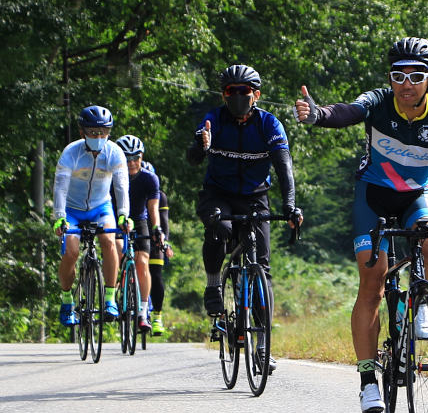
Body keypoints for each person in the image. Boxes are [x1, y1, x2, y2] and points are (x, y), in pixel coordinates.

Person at [295, 36, 428, 413]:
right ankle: (368, 381)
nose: (406, 84)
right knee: (373, 283)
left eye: (416, 75)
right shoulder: (379, 101)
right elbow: (348, 111)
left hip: (417, 193)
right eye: (399, 75)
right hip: (373, 197)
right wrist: (319, 115)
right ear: (391, 78)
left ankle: (419, 309)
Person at [187, 64, 300, 320]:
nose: (238, 96)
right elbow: (192, 159)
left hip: (255, 196)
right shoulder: (213, 120)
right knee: (220, 227)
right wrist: (200, 147)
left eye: (244, 90)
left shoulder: (269, 124)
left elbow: (285, 168)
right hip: (218, 193)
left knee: (262, 266)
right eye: (231, 91)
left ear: (256, 95)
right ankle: (214, 284)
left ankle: (263, 346)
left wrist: (290, 207)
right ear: (224, 95)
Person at [52, 105, 131, 325]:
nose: (98, 137)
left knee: (109, 240)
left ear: (109, 132)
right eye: (93, 132)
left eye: (103, 132)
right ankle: (67, 300)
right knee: (71, 250)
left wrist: (124, 215)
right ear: (82, 132)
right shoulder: (71, 153)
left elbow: (122, 187)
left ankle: (109, 298)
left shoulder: (115, 153)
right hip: (72, 209)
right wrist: (59, 216)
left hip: (101, 207)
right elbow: (60, 186)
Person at [113, 135, 162, 331]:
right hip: (117, 218)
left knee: (142, 263)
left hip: (140, 220)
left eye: (136, 158)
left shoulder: (149, 178)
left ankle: (142, 312)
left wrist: (157, 228)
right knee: (116, 251)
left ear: (142, 157)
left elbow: (153, 209)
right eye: (127, 159)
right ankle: (114, 288)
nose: (132, 163)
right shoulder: (112, 176)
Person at [142, 161, 173, 336]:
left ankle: (157, 316)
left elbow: (164, 221)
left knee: (156, 273)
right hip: (136, 231)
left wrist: (164, 242)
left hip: (153, 236)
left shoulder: (160, 196)